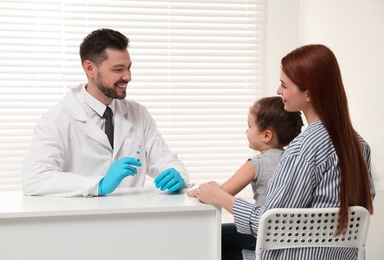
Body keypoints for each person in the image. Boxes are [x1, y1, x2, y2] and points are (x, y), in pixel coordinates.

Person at [192, 44, 376, 260]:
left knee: (206, 242)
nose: (279, 91)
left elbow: (270, 223)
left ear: (309, 93)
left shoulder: (303, 148)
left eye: (284, 85)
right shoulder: (359, 144)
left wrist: (221, 197)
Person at [22, 28, 189, 197]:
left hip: (132, 218)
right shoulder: (58, 119)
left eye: (128, 68)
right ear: (90, 68)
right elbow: (35, 179)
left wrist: (176, 174)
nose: (128, 77)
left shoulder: (138, 113)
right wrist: (98, 184)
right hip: (81, 219)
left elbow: (163, 160)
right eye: (118, 69)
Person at [188, 96, 303, 259]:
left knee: (211, 237)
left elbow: (221, 193)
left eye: (249, 126)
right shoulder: (293, 160)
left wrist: (193, 192)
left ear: (266, 136)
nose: (246, 131)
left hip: (262, 234)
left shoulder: (257, 163)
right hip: (287, 236)